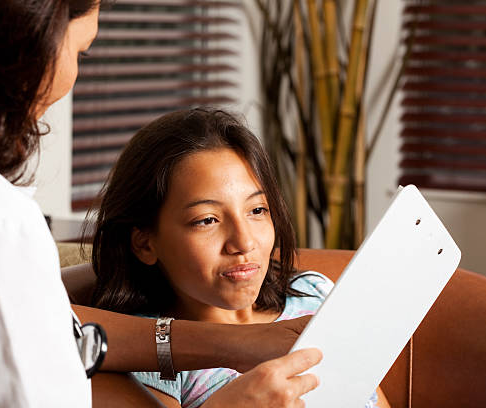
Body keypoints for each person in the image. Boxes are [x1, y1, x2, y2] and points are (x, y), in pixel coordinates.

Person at [0, 1, 322, 407]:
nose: (69, 82)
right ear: (22, 45)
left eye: (258, 209)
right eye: (80, 52)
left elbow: (47, 320)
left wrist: (232, 341)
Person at [88, 108, 391, 407]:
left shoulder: (315, 293)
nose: (244, 242)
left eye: (257, 210)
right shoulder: (144, 358)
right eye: (207, 220)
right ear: (144, 244)